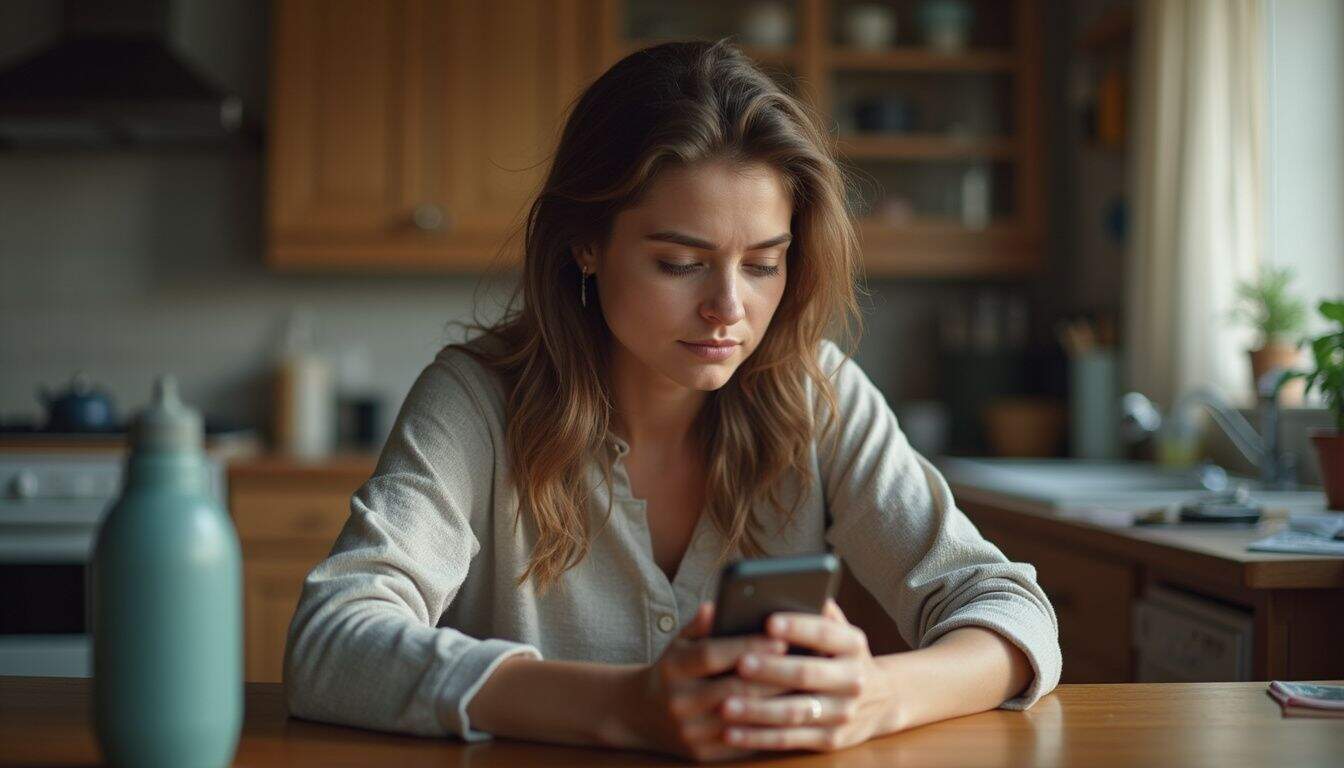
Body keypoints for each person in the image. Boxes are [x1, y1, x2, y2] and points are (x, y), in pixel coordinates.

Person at [284, 39, 1060, 762]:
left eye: (763, 264)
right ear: (585, 243)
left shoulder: (815, 392)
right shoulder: (476, 402)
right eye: (681, 263)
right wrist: (627, 707)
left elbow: (1010, 609)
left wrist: (876, 696)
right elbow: (330, 642)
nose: (728, 309)